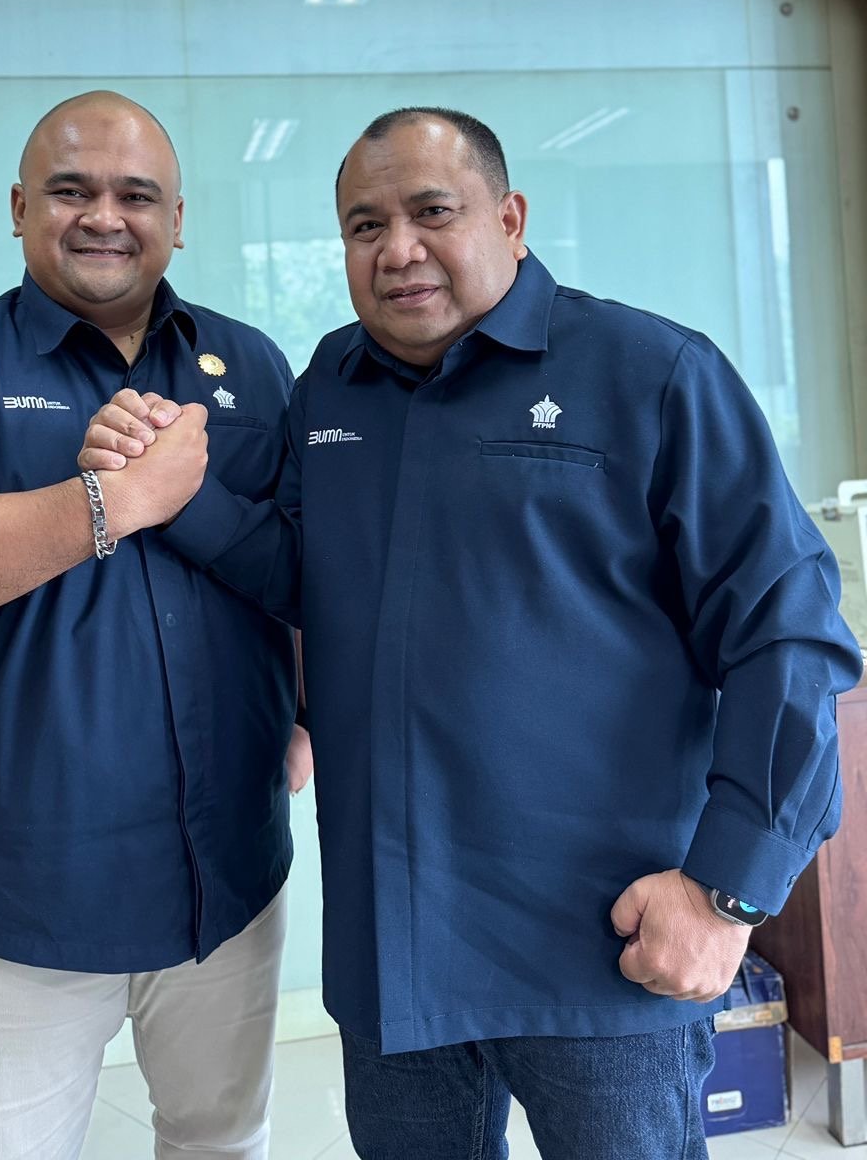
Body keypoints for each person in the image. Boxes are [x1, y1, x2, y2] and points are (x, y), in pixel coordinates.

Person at [80, 106, 863, 1160]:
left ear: (511, 217)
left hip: (601, 951)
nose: (397, 249)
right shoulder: (333, 384)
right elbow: (309, 574)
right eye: (365, 226)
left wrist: (727, 894)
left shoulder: (648, 372)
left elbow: (790, 637)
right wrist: (173, 495)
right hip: (393, 954)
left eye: (432, 212)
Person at [0, 91, 310, 1160]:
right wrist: (113, 502)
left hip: (224, 869)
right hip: (21, 891)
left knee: (222, 1138)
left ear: (177, 219)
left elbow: (304, 564)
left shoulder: (251, 366)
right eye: (71, 190)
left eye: (136, 195)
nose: (104, 216)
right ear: (18, 209)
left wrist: (307, 711)